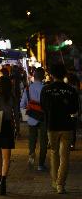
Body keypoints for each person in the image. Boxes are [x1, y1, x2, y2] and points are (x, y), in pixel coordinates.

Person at [40, 64, 79, 194]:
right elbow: (75, 109)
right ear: (64, 75)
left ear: (52, 75)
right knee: (65, 157)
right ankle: (60, 185)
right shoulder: (71, 90)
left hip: (52, 125)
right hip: (67, 126)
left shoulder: (46, 90)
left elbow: (43, 107)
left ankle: (55, 181)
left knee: (54, 154)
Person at [20, 67, 47, 171]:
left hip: (32, 117)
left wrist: (28, 108)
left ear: (33, 77)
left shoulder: (28, 89)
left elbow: (22, 104)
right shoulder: (45, 88)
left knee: (32, 138)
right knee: (43, 140)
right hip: (43, 117)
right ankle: (41, 164)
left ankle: (31, 154)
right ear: (43, 77)